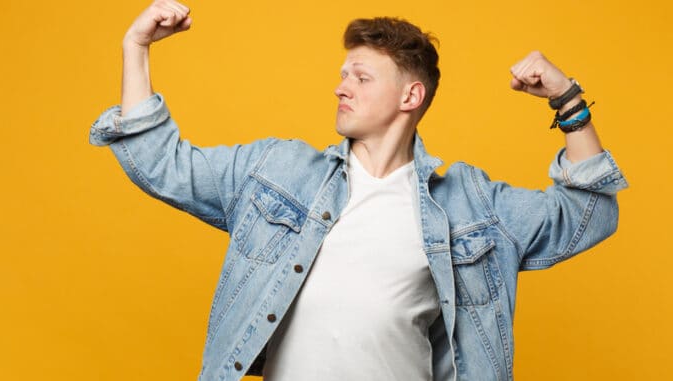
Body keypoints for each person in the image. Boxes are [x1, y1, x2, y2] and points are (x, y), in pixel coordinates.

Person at [89, 1, 628, 380]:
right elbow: (161, 164)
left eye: (362, 77)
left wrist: (568, 100)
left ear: (410, 95)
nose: (340, 86)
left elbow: (589, 213)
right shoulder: (276, 171)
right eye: (343, 73)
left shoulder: (470, 203)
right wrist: (135, 47)